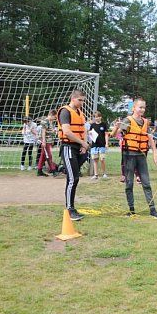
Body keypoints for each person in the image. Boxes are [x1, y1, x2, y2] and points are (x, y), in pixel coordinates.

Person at [118, 98, 157, 219]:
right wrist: (120, 128)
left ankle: (152, 209)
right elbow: (120, 133)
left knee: (146, 183)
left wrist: (155, 154)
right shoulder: (127, 120)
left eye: (144, 107)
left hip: (141, 156)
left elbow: (150, 138)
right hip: (129, 156)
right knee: (129, 184)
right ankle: (131, 210)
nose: (142, 109)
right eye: (140, 107)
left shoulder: (145, 122)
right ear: (134, 108)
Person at [57, 90, 89, 221]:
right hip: (68, 147)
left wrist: (84, 144)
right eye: (80, 100)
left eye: (83, 100)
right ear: (73, 98)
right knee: (73, 179)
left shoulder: (80, 113)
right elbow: (67, 132)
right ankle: (69, 209)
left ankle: (64, 168)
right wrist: (82, 142)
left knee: (74, 177)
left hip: (78, 148)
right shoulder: (65, 111)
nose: (82, 103)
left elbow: (84, 130)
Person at [37, 109, 59, 177]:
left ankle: (39, 171)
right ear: (51, 115)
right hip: (45, 141)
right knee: (49, 156)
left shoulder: (50, 121)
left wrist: (54, 131)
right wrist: (43, 141)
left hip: (49, 141)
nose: (55, 119)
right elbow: (43, 132)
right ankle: (53, 171)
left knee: (43, 156)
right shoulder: (45, 121)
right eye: (54, 117)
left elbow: (50, 131)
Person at [89, 111, 109, 179]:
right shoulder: (92, 125)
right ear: (94, 118)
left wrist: (106, 143)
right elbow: (90, 134)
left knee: (102, 159)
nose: (97, 118)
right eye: (95, 117)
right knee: (95, 159)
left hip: (102, 145)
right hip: (94, 145)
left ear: (101, 117)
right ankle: (96, 174)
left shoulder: (104, 124)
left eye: (98, 116)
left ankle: (104, 173)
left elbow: (106, 135)